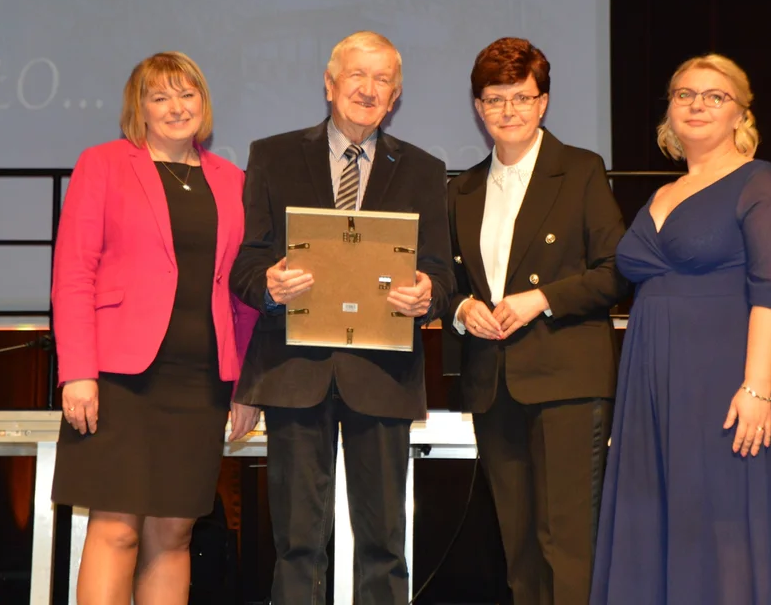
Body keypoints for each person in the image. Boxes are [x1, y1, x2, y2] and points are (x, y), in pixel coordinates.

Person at [229, 31, 455, 605]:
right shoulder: (273, 156)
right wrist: (269, 286)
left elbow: (440, 272)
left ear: (395, 97)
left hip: (382, 375)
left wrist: (428, 293)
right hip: (295, 371)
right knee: (297, 545)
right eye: (357, 75)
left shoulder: (424, 169)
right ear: (329, 85)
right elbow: (247, 262)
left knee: (384, 546)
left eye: (383, 80)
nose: (369, 89)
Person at [590, 54, 771, 604]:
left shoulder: (759, 182)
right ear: (668, 111)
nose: (697, 105)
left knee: (727, 529)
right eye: (684, 94)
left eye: (715, 96)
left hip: (727, 383)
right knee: (661, 528)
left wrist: (756, 389)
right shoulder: (663, 194)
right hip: (654, 385)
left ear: (741, 114)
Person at [50, 52, 260, 604]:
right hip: (119, 378)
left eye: (187, 94)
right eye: (160, 97)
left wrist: (245, 384)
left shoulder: (232, 180)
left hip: (201, 380)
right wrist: (78, 372)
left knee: (174, 534)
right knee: (116, 529)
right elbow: (73, 274)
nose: (176, 107)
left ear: (203, 103)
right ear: (138, 109)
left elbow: (242, 295)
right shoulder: (103, 164)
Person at [446, 37, 629, 604]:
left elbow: (615, 272)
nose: (508, 111)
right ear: (478, 106)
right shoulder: (461, 188)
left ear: (543, 102)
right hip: (492, 385)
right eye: (494, 98)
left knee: (568, 548)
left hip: (567, 381)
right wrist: (462, 309)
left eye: (521, 97)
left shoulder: (580, 170)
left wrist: (541, 298)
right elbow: (446, 282)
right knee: (519, 550)